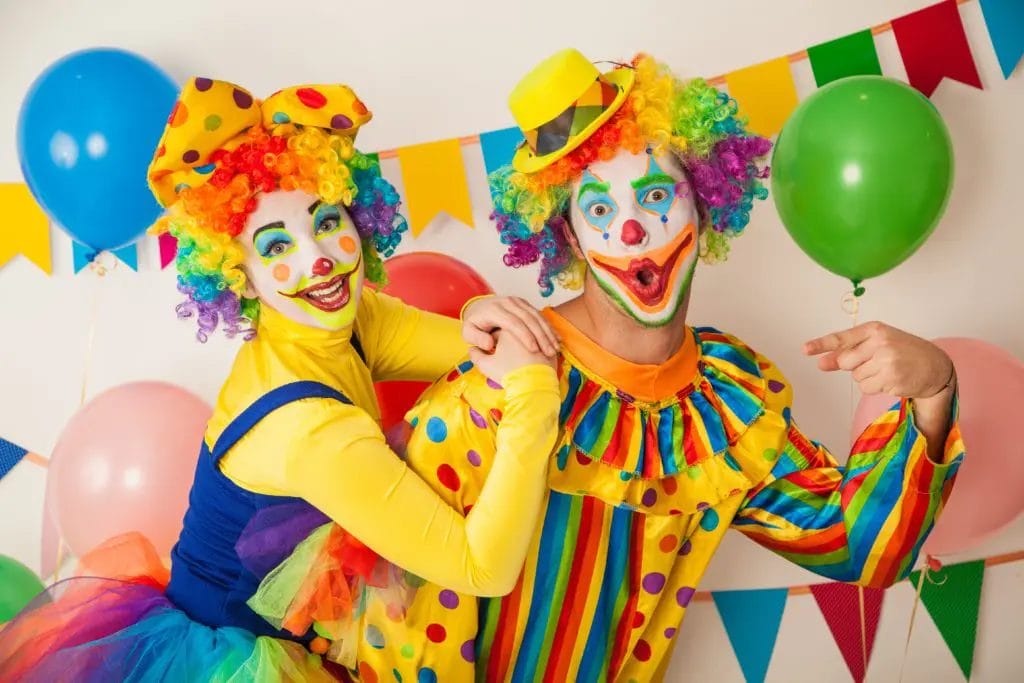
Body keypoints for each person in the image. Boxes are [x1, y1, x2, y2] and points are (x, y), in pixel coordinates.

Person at [274, 50, 963, 682]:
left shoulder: (727, 401)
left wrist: (934, 389)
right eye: (601, 209)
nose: (633, 233)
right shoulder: (501, 383)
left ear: (706, 199)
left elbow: (854, 545)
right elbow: (408, 638)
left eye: (657, 197)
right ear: (569, 235)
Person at [0, 78, 564, 682]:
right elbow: (483, 568)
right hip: (234, 661)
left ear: (356, 216)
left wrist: (478, 315)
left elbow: (466, 346)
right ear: (238, 275)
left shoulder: (339, 319)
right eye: (275, 246)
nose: (316, 258)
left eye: (325, 222)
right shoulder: (312, 431)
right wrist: (535, 398)